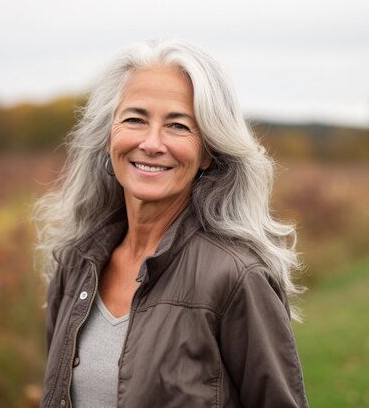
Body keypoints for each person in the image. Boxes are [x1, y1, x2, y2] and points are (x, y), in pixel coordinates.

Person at [34, 39, 308, 408]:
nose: (151, 143)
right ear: (108, 135)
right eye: (135, 119)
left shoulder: (236, 276)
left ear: (208, 152)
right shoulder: (76, 263)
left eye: (178, 126)